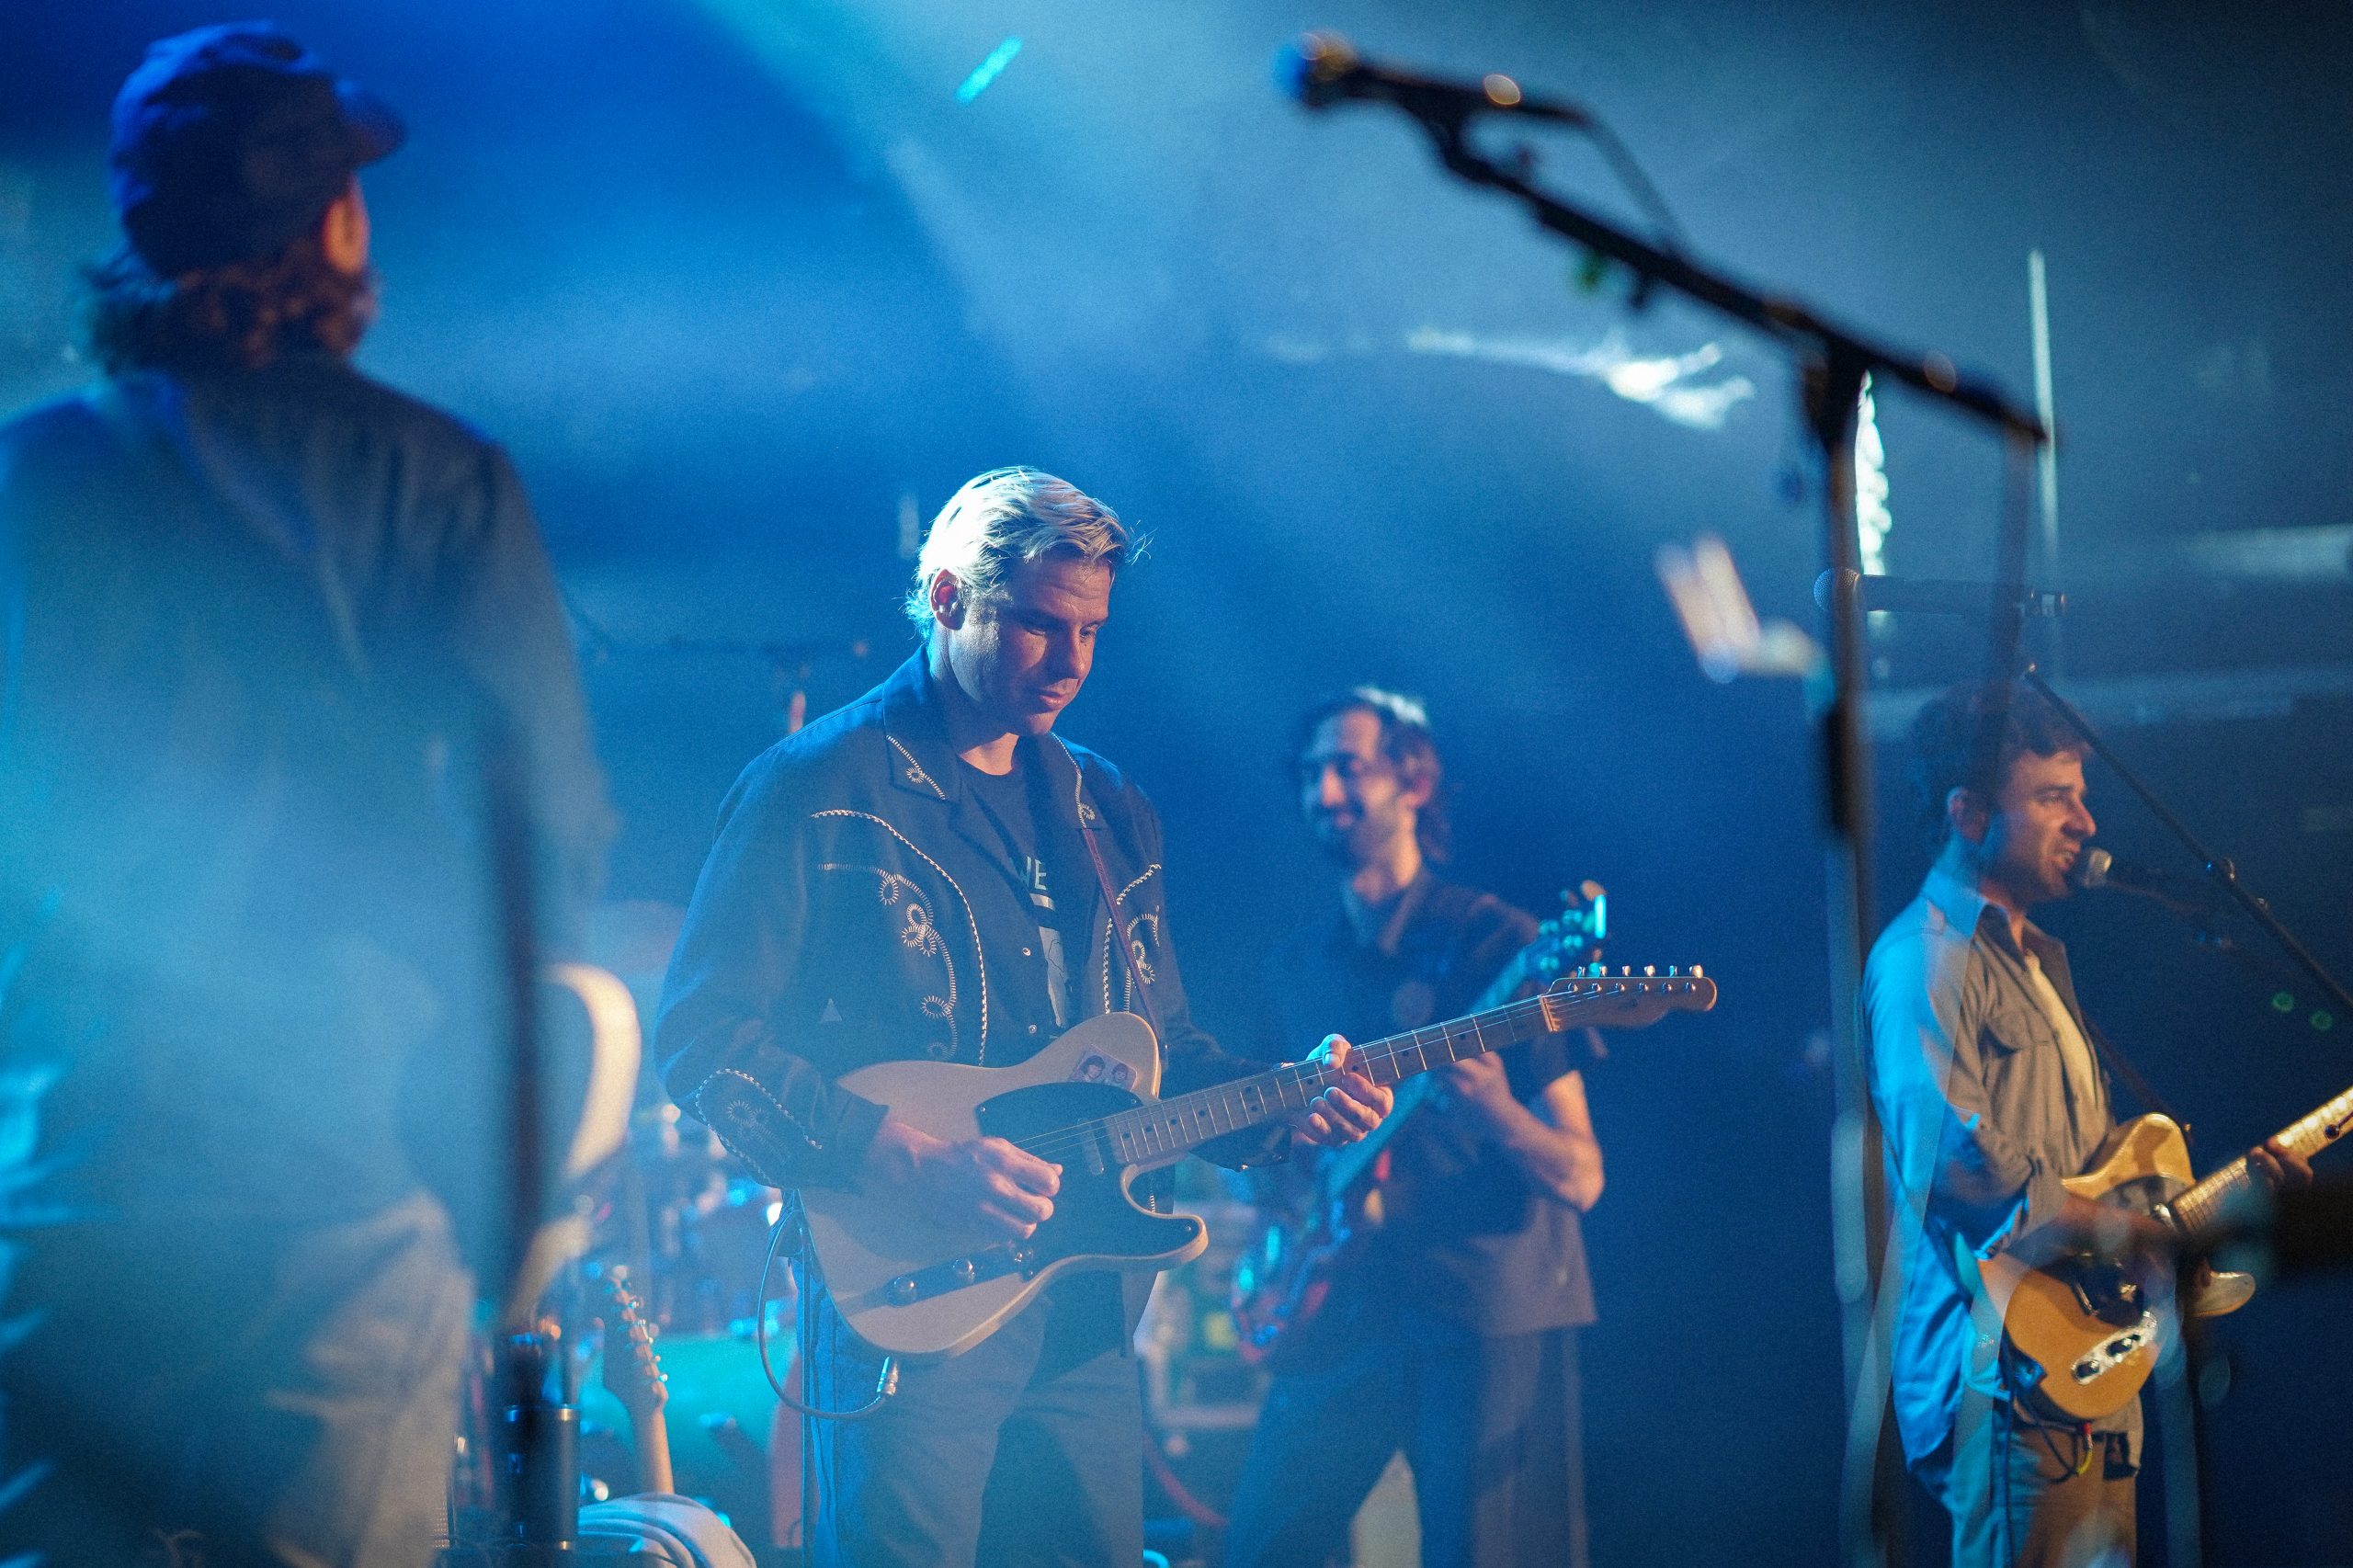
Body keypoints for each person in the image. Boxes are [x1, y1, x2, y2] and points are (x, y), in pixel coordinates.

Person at [0, 25, 608, 1566]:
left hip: (76, 1165)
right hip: (345, 1172)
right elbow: (544, 838)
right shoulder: (442, 473)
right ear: (331, 227)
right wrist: (516, 1190)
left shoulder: (28, 479)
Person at [654, 467, 1392, 1568]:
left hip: (1083, 1306)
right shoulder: (815, 784)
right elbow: (703, 1041)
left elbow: (1161, 1050)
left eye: (1092, 631)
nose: (1072, 661)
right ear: (948, 598)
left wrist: (1284, 1104)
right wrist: (905, 1158)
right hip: (913, 1297)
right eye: (1042, 624)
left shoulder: (1109, 807)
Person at [1865, 681, 2308, 1568]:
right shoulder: (1925, 960)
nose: (2085, 821)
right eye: (2052, 797)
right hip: (2006, 1378)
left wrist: (2215, 1204)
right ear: (1967, 814)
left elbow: (2098, 1170)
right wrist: (2131, 1231)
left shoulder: (2036, 963)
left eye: (2081, 794)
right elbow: (1962, 1170)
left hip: (2090, 1368)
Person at [1222, 687, 1605, 1568]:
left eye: (1347, 769)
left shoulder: (1500, 945)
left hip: (1478, 1310)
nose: (1323, 794)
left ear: (1415, 783)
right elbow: (1268, 1162)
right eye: (1310, 774)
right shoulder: (1295, 966)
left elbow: (1583, 1174)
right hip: (1341, 1306)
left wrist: (1497, 1113)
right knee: (1259, 1548)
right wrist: (1279, 1224)